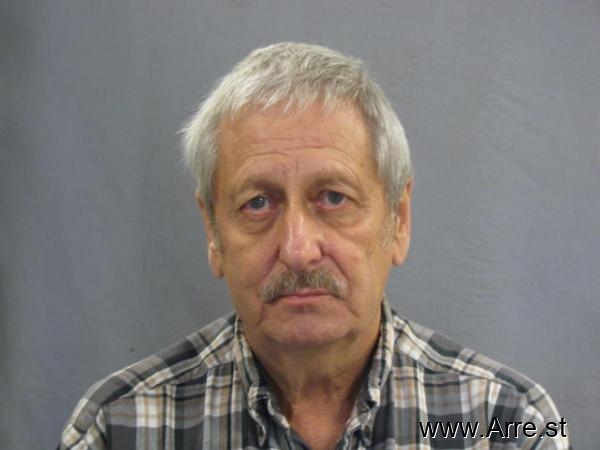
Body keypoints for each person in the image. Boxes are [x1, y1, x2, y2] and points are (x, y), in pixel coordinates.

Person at [58, 42, 568, 450]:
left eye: (333, 198)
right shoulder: (119, 428)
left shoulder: (508, 422)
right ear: (212, 231)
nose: (298, 250)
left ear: (399, 220)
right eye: (258, 203)